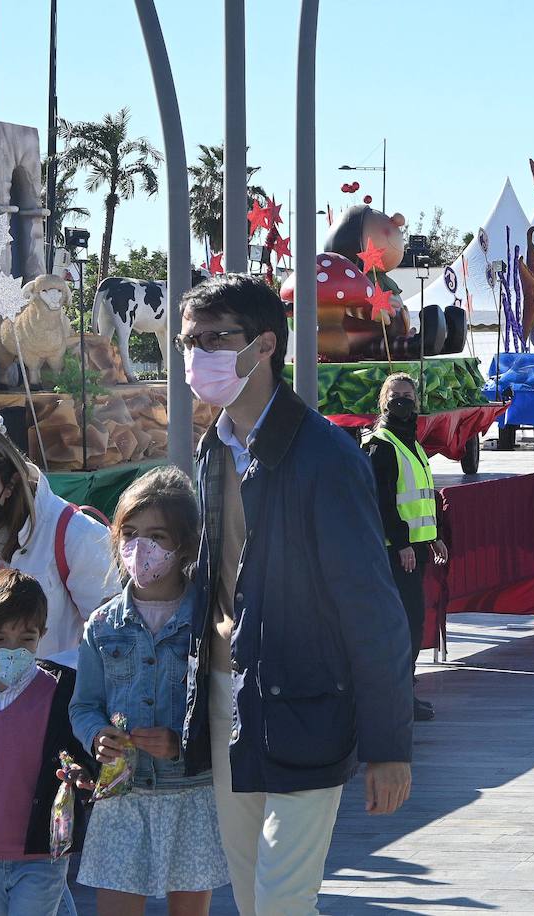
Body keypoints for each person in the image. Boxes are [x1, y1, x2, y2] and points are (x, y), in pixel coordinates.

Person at [178, 274, 413, 916]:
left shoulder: (324, 457)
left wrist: (388, 747)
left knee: (283, 899)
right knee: (252, 892)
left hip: (306, 699)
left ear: (265, 346)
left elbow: (373, 610)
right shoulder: (214, 450)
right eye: (189, 341)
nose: (198, 356)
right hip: (229, 694)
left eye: (214, 339)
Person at [69, 467, 229, 914]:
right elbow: (84, 705)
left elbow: (227, 707)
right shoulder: (102, 625)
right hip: (122, 796)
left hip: (192, 794)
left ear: (185, 544)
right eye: (132, 533)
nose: (141, 548)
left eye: (157, 535)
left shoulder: (209, 620)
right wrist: (96, 734)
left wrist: (183, 742)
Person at [0, 568, 93, 916]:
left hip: (43, 856)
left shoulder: (63, 693)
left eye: (25, 639)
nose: (11, 651)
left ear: (42, 635)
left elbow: (86, 755)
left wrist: (85, 772)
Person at [0, 417, 115, 664]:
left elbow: (111, 638)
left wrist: (51, 685)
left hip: (53, 696)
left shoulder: (76, 534)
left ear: (11, 483)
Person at [363, 373, 449, 724]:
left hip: (417, 546)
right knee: (403, 625)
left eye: (408, 395)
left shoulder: (411, 442)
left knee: (412, 623)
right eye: (395, 395)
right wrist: (401, 543)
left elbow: (422, 497)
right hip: (397, 552)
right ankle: (395, 697)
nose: (402, 401)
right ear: (383, 402)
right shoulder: (380, 444)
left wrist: (434, 535)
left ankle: (403, 692)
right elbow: (382, 501)